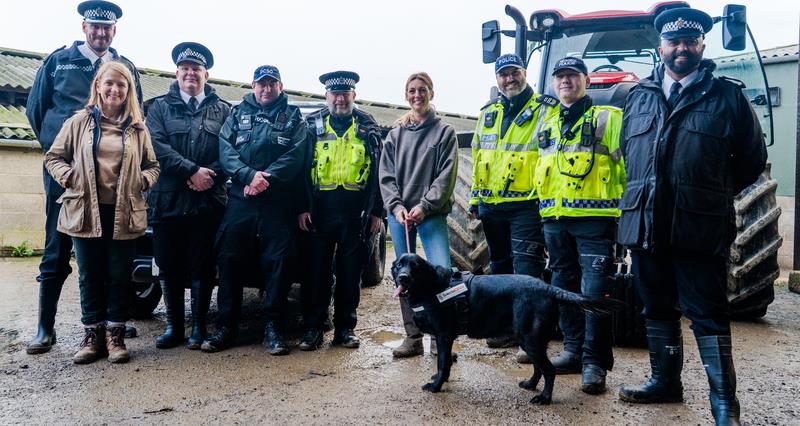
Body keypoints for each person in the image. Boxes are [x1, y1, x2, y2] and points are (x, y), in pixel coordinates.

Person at [616, 8, 766, 425]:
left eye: (690, 41)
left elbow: (752, 161)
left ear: (701, 45)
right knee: (656, 308)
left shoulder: (727, 97)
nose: (682, 48)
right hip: (646, 226)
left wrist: (708, 195)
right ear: (660, 46)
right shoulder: (639, 96)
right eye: (674, 41)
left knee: (708, 312)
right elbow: (632, 156)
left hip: (699, 227)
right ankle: (665, 383)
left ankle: (724, 405)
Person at [25, 0, 143, 355]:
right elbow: (36, 110)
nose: (100, 33)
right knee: (57, 243)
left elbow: (138, 116)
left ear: (114, 31)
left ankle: (109, 325)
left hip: (112, 178)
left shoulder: (124, 68)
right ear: (84, 28)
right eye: (94, 26)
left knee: (108, 248)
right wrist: (62, 159)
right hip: (68, 175)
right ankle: (45, 327)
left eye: (106, 28)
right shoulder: (58, 61)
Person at [44, 61, 159, 364]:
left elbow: (153, 165)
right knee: (90, 275)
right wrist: (68, 177)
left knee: (120, 276)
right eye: (109, 83)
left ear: (128, 91)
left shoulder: (137, 128)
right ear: (98, 85)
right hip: (84, 210)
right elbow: (54, 157)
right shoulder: (78, 122)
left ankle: (115, 337)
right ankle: (92, 337)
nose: (114, 89)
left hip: (124, 211)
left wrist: (143, 180)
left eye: (121, 85)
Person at [533, 56, 625, 394]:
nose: (565, 81)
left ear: (586, 80)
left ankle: (594, 363)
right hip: (555, 221)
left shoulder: (609, 118)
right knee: (563, 289)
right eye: (560, 77)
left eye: (572, 76)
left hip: (595, 221)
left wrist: (628, 213)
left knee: (594, 292)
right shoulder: (548, 123)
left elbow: (628, 166)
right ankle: (572, 351)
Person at [201, 65, 307, 355]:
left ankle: (274, 328)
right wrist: (249, 177)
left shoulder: (294, 117)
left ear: (280, 87)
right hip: (241, 199)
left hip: (276, 202)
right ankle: (226, 327)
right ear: (253, 86)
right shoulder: (237, 114)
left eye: (272, 84)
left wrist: (265, 179)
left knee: (279, 263)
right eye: (261, 84)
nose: (266, 89)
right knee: (229, 258)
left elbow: (296, 154)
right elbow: (226, 150)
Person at [146, 42, 230, 350]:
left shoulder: (223, 110)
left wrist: (210, 176)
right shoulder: (157, 107)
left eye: (196, 69)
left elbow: (231, 152)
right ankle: (174, 327)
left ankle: (199, 328)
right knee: (168, 265)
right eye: (185, 69)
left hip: (207, 202)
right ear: (177, 73)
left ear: (206, 74)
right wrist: (191, 170)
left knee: (203, 265)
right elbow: (155, 146)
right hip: (168, 200)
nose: (190, 74)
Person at [470, 54, 555, 350]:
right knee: (500, 271)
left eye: (514, 72)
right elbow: (478, 156)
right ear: (497, 78)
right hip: (491, 207)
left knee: (526, 271)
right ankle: (507, 328)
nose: (509, 79)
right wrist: (474, 199)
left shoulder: (546, 111)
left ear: (525, 73)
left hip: (527, 205)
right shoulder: (488, 113)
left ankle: (531, 339)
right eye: (503, 74)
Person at [296, 71, 383, 351]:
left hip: (356, 213)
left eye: (346, 93)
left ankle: (345, 329)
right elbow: (299, 170)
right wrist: (301, 208)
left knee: (350, 275)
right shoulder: (312, 125)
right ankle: (314, 329)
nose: (340, 98)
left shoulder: (368, 125)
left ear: (354, 96)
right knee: (316, 274)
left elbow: (381, 171)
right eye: (335, 93)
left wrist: (377, 213)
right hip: (320, 211)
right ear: (326, 96)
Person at [379, 72, 457, 358]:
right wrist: (397, 207)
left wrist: (425, 206)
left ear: (431, 93)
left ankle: (440, 339)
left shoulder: (444, 132)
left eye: (422, 90)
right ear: (406, 95)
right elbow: (386, 176)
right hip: (400, 217)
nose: (417, 95)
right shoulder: (395, 135)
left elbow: (446, 177)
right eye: (412, 90)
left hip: (431, 214)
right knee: (404, 277)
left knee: (441, 273)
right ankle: (412, 336)